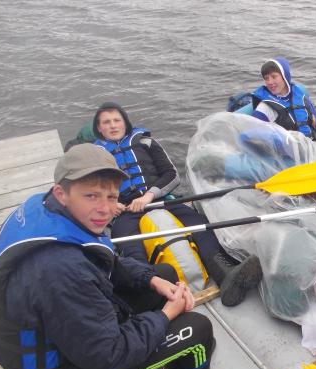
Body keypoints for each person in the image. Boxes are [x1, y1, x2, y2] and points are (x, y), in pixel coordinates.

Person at [0, 144, 250, 369]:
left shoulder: (46, 211)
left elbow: (103, 259)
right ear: (61, 193)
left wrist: (151, 279)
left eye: (111, 197)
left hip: (68, 333)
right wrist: (167, 315)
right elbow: (109, 356)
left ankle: (169, 345)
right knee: (196, 329)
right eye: (91, 196)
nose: (105, 209)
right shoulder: (59, 269)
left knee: (164, 274)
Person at [92, 101, 262, 306]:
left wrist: (149, 196)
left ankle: (226, 275)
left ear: (125, 122)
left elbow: (171, 175)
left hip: (158, 200)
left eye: (117, 120)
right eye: (106, 122)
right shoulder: (94, 155)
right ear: (99, 128)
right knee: (129, 243)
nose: (113, 125)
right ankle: (149, 291)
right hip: (126, 210)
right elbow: (91, 188)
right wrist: (110, 203)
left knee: (200, 225)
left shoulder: (146, 142)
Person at [251, 57, 316, 141]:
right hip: (289, 148)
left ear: (284, 77)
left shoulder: (300, 96)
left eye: (274, 76)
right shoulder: (265, 108)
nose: (270, 82)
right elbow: (252, 137)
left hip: (313, 145)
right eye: (266, 78)